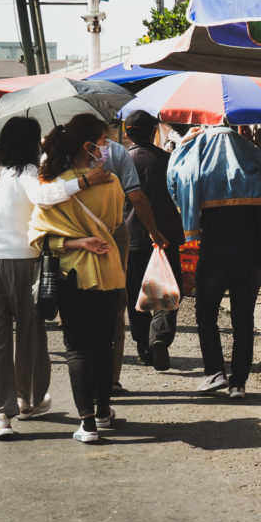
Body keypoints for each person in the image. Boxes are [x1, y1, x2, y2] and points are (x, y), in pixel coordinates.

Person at [0, 117, 112, 440]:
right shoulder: (27, 173)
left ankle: (1, 417)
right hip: (22, 262)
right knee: (30, 332)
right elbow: (46, 197)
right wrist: (84, 183)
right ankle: (29, 399)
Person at [29, 114, 126, 444]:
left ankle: (87, 424)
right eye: (102, 141)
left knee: (76, 347)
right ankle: (103, 411)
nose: (106, 147)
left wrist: (71, 241)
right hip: (108, 268)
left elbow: (39, 237)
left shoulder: (49, 183)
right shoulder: (111, 183)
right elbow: (113, 222)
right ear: (88, 146)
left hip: (70, 272)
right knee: (103, 343)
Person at [167, 125, 261, 399]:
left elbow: (173, 182)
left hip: (214, 257)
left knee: (206, 315)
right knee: (243, 320)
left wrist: (183, 146)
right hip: (248, 260)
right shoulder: (254, 170)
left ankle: (214, 372)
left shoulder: (198, 175)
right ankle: (238, 383)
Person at [96, 126, 168, 393]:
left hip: (102, 237)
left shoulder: (61, 161)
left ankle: (142, 347)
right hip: (128, 236)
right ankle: (156, 339)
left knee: (125, 293)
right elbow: (137, 195)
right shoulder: (124, 154)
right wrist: (156, 231)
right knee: (151, 291)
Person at [123, 110, 185, 373]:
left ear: (127, 134)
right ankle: (159, 336)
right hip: (165, 237)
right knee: (167, 290)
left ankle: (143, 348)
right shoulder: (169, 160)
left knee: (136, 293)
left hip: (130, 238)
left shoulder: (121, 162)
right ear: (154, 132)